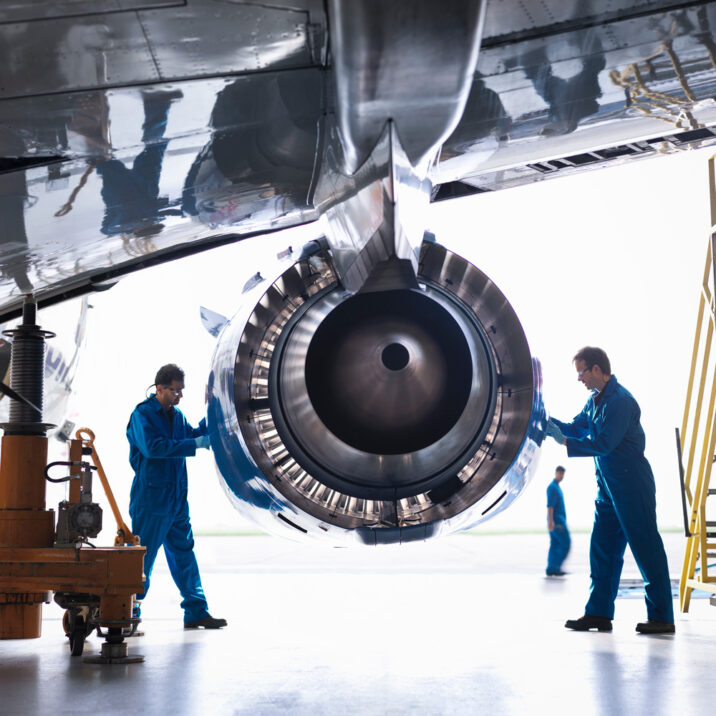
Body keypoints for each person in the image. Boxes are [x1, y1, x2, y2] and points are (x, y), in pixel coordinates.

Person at [545, 347, 674, 635]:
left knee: (646, 549)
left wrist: (563, 442)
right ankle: (598, 614)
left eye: (582, 372)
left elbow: (603, 444)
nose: (579, 379)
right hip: (607, 488)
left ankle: (662, 617)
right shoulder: (595, 401)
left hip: (631, 484)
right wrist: (547, 423)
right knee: (602, 550)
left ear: (597, 369)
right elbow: (577, 429)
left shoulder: (621, 402)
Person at [127, 363, 227, 629]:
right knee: (140, 558)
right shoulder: (142, 415)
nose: (179, 395)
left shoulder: (177, 415)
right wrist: (195, 443)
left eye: (181, 391)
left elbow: (193, 435)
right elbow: (153, 448)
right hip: (151, 500)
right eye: (174, 390)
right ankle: (127, 609)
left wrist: (212, 411)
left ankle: (196, 611)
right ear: (159, 388)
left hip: (176, 500)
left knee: (184, 553)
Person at [546, 466, 570, 576]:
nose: (561, 476)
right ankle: (555, 567)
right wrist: (551, 521)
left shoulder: (556, 487)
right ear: (556, 473)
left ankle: (552, 568)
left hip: (559, 519)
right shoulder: (552, 488)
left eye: (563, 474)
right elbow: (550, 506)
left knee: (555, 544)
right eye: (560, 473)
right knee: (565, 543)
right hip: (557, 521)